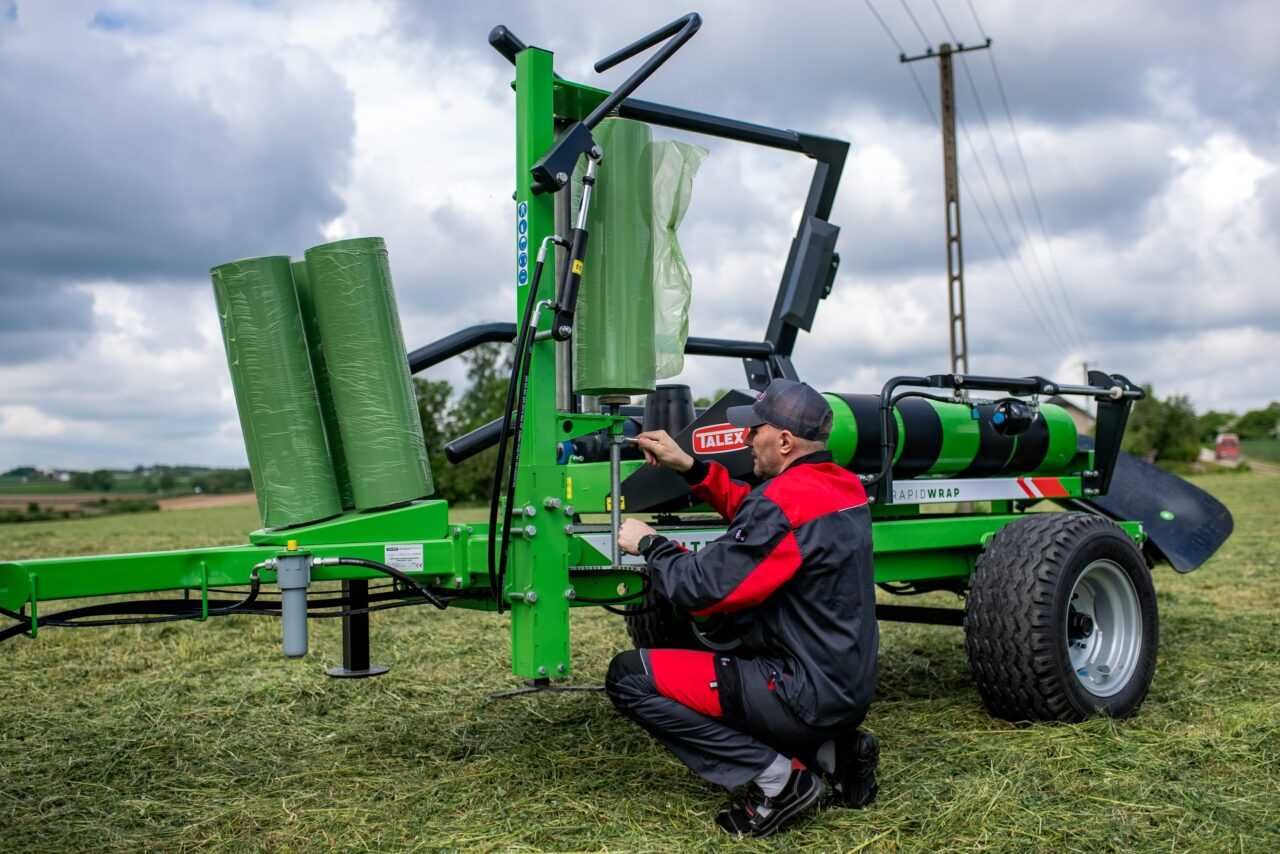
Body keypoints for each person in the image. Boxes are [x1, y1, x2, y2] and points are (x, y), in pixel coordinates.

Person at [607, 378, 880, 839]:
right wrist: (691, 467)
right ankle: (835, 752)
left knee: (629, 677)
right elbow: (757, 514)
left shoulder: (783, 504)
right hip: (847, 688)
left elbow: (702, 589)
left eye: (755, 430)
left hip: (800, 691)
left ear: (786, 441)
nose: (746, 438)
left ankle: (780, 780)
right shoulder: (843, 487)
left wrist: (650, 545)